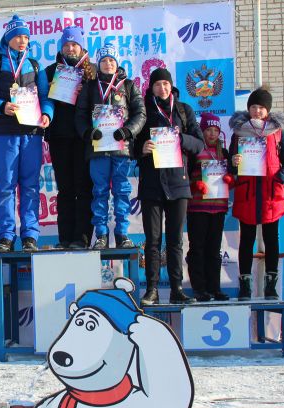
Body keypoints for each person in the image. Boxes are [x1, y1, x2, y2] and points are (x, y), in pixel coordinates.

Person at [0, 14, 53, 253]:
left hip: (31, 133)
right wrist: (1, 106)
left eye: (26, 37)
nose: (22, 41)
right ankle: (6, 236)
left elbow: (45, 97)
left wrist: (47, 114)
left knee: (30, 186)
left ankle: (30, 236)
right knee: (6, 185)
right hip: (3, 133)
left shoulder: (35, 66)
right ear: (8, 38)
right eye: (18, 36)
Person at [135, 68, 205, 305]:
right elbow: (129, 143)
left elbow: (199, 144)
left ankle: (177, 289)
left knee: (175, 240)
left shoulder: (184, 110)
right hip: (151, 184)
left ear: (171, 86)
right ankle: (152, 290)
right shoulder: (143, 110)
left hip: (178, 183)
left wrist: (181, 138)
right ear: (151, 87)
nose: (162, 88)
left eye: (165, 84)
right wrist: (141, 148)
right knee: (152, 241)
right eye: (157, 84)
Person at [75, 43, 146, 250]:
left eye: (112, 60)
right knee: (99, 192)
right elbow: (80, 115)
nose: (108, 64)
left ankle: (122, 233)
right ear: (98, 64)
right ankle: (101, 235)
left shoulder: (129, 86)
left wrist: (128, 131)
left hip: (121, 148)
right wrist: (88, 132)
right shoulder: (90, 87)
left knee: (122, 191)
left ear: (117, 63)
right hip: (98, 148)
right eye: (104, 60)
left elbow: (140, 113)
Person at [229, 86, 284, 301]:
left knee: (271, 240)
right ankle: (245, 287)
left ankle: (271, 287)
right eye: (253, 107)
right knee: (246, 240)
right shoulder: (239, 133)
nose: (257, 111)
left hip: (270, 194)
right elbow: (230, 165)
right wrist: (234, 163)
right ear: (248, 108)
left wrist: (281, 178)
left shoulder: (277, 132)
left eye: (261, 107)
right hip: (247, 193)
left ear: (268, 110)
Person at [45, 26, 96, 249]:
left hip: (85, 138)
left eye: (74, 44)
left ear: (81, 47)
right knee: (65, 189)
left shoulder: (93, 71)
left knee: (84, 188)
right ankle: (65, 238)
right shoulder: (50, 71)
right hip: (60, 137)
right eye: (66, 45)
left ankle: (82, 238)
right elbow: (40, 101)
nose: (70, 48)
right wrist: (47, 91)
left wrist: (88, 90)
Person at [186, 112, 234, 302]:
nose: (212, 134)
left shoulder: (225, 153)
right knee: (197, 249)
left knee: (214, 251)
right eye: (208, 130)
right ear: (202, 131)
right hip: (197, 208)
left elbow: (233, 177)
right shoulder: (195, 151)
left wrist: (231, 180)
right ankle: (199, 289)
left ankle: (215, 288)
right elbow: (184, 176)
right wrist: (194, 185)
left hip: (218, 208)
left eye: (215, 130)